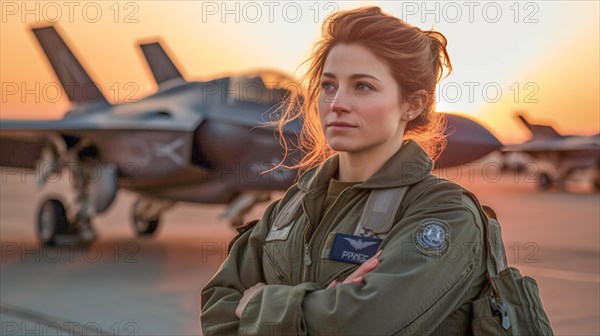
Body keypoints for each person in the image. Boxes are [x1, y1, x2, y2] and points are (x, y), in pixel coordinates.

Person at [201, 6, 488, 335]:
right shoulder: (290, 208)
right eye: (328, 86)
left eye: (363, 86)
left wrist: (255, 302)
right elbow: (216, 311)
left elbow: (364, 326)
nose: (337, 102)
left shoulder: (443, 213)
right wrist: (326, 306)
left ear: (413, 104)